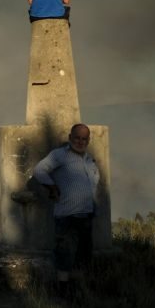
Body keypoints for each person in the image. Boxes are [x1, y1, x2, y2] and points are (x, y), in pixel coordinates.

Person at [32, 124, 100, 291]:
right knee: (64, 253)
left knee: (84, 254)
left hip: (86, 215)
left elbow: (94, 184)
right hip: (67, 215)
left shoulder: (89, 160)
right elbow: (39, 170)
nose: (80, 141)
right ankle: (62, 289)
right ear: (70, 138)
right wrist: (52, 187)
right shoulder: (60, 155)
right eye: (77, 137)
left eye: (84, 138)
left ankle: (81, 288)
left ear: (88, 140)